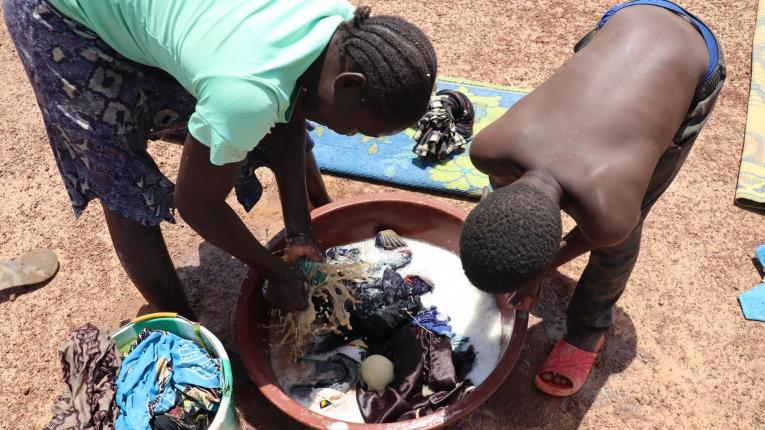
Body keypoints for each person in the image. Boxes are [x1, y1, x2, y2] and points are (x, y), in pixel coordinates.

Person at [4, 0, 437, 319]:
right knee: (121, 177)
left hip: (156, 19)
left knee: (235, 111)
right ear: (347, 84)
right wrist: (275, 273)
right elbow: (197, 204)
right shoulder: (244, 92)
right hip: (60, 17)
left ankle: (318, 217)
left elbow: (288, 110)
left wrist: (300, 226)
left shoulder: (335, 25)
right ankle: (185, 327)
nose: (351, 136)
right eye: (360, 128)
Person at [459, 0, 724, 396]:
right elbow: (499, 192)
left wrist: (537, 270)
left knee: (621, 242)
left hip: (696, 59)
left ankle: (587, 331)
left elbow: (599, 239)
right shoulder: (488, 149)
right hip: (625, 19)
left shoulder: (609, 212)